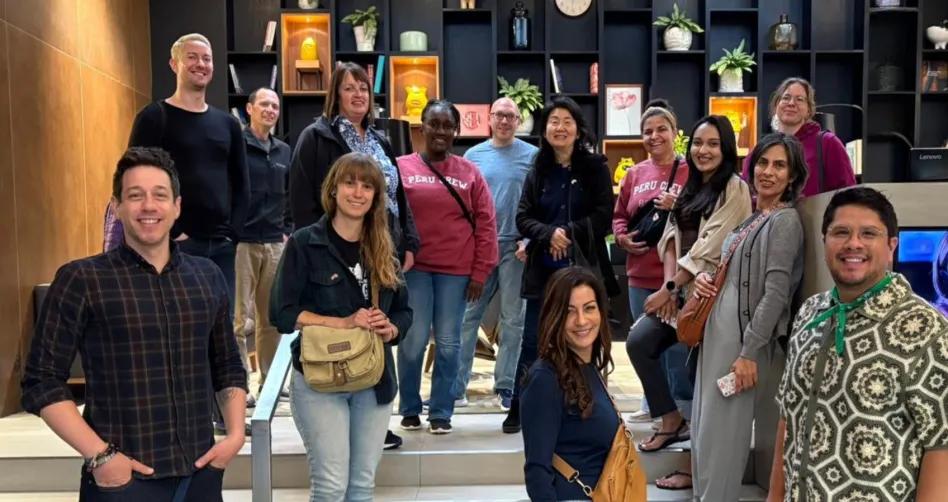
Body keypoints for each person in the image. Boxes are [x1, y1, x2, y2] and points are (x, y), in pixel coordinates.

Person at [21, 147, 248, 501]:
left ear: (177, 207)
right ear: (117, 207)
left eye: (160, 195)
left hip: (200, 475)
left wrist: (234, 436)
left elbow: (228, 364)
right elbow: (41, 380)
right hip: (122, 482)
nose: (148, 206)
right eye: (135, 195)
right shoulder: (82, 279)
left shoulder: (208, 276)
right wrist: (101, 457)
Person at [767, 187, 948, 502]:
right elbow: (789, 419)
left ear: (892, 245)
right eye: (841, 232)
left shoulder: (928, 330)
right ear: (824, 241)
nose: (853, 243)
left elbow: (941, 446)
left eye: (869, 233)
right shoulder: (810, 314)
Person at [288, 61, 419, 449]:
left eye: (363, 88)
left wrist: (409, 241)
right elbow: (301, 197)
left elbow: (397, 196)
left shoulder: (382, 140)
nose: (358, 95)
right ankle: (335, 407)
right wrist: (318, 247)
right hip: (335, 250)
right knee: (346, 325)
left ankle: (375, 419)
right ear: (336, 95)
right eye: (349, 88)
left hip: (383, 246)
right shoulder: (317, 137)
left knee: (381, 324)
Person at [269, 152, 412, 501]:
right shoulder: (305, 243)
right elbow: (281, 312)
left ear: (376, 196)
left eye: (367, 186)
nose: (358, 192)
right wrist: (342, 323)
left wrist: (391, 328)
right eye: (349, 183)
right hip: (319, 379)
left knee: (362, 486)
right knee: (331, 486)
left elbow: (405, 312)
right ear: (333, 189)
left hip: (374, 378)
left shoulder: (384, 244)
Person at [626, 115, 751, 490]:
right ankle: (669, 419)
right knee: (640, 341)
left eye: (713, 143)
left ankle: (697, 468)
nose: (704, 150)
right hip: (681, 295)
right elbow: (669, 236)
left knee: (702, 386)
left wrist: (673, 285)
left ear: (725, 147)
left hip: (714, 300)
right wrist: (670, 288)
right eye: (698, 143)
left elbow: (712, 245)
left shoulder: (735, 188)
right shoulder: (691, 188)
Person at [689, 133, 808, 501]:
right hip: (718, 336)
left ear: (792, 176)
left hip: (740, 344)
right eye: (762, 163)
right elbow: (732, 275)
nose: (768, 172)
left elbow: (776, 293)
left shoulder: (785, 222)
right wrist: (707, 279)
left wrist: (748, 352)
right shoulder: (754, 218)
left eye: (779, 165)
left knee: (723, 437)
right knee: (707, 429)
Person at [507, 95, 619, 434]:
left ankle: (586, 404)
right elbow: (523, 217)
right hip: (544, 271)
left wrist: (566, 234)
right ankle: (521, 407)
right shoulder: (537, 169)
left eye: (566, 121)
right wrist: (548, 234)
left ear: (577, 128)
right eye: (553, 121)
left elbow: (604, 216)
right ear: (544, 129)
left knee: (585, 339)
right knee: (533, 342)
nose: (560, 127)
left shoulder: (596, 166)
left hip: (584, 269)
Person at [396, 99, 499, 434]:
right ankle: (410, 407)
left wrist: (480, 272)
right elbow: (387, 219)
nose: (440, 131)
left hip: (456, 272)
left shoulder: (469, 173)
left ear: (456, 130)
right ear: (422, 127)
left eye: (447, 125)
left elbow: (486, 224)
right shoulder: (401, 168)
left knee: (450, 341)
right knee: (412, 340)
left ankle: (441, 411)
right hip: (414, 269)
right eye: (434, 124)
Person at [128, 33, 250, 309]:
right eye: (192, 57)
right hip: (174, 245)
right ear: (174, 64)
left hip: (221, 247)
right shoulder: (154, 117)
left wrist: (234, 233)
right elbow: (133, 179)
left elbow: (242, 184)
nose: (201, 64)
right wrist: (173, 231)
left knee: (221, 328)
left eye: (206, 59)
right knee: (175, 327)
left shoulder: (228, 124)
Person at [453, 96, 538, 411]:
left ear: (517, 122)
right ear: (489, 119)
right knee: (467, 318)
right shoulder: (474, 156)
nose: (504, 121)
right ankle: (455, 388)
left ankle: (505, 386)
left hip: (517, 249)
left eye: (510, 116)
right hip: (482, 247)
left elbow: (539, 202)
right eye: (499, 115)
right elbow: (463, 205)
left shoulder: (533, 156)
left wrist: (530, 239)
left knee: (513, 320)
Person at [612, 99, 690, 424]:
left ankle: (681, 407)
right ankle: (653, 403)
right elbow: (619, 215)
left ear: (675, 133)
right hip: (639, 274)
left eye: (661, 129)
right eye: (648, 131)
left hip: (677, 276)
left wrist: (679, 205)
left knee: (675, 346)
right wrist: (621, 237)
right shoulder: (634, 173)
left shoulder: (690, 171)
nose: (654, 136)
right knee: (642, 343)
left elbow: (702, 218)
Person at [521, 266, 618, 500]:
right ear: (555, 317)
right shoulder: (545, 379)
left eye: (589, 308)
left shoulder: (589, 368)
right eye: (569, 312)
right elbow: (537, 471)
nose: (581, 320)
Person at [234, 87, 292, 407]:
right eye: (264, 105)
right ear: (249, 109)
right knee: (240, 321)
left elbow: (290, 193)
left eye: (275, 106)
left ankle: (270, 382)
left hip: (274, 243)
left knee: (270, 318)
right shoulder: (237, 146)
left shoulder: (283, 151)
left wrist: (287, 230)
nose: (270, 110)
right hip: (242, 242)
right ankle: (240, 384)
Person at [743, 77, 855, 197]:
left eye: (799, 99)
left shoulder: (828, 143)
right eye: (786, 98)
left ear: (809, 110)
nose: (791, 103)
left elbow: (848, 193)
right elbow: (746, 192)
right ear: (776, 105)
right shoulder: (762, 149)